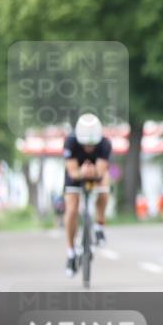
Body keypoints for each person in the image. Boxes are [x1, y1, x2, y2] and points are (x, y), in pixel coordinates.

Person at [62, 113, 111, 277]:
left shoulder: (104, 144)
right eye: (86, 145)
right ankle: (71, 253)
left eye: (92, 145)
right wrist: (81, 172)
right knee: (71, 210)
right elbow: (72, 171)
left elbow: (101, 171)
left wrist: (93, 173)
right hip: (76, 173)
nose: (89, 148)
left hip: (96, 172)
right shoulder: (70, 142)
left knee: (104, 188)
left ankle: (99, 225)